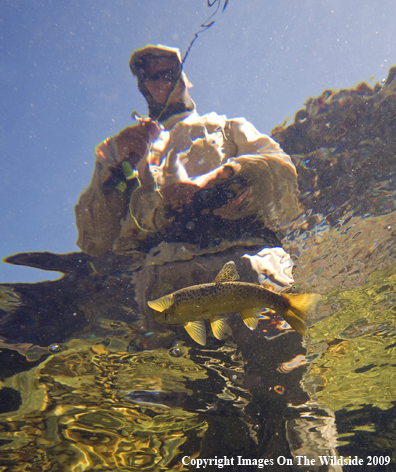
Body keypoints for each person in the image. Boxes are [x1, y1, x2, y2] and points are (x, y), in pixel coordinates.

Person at [75, 44, 301, 317]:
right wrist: (114, 170)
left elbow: (284, 176)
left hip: (249, 261)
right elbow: (95, 242)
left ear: (186, 79)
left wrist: (219, 179)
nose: (162, 81)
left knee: (277, 352)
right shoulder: (117, 150)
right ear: (142, 85)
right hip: (162, 283)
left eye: (170, 72)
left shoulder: (230, 128)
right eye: (152, 75)